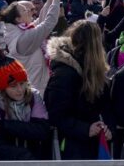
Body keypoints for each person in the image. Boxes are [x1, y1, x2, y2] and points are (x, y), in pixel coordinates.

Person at [44, 20, 111, 159]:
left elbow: (106, 105)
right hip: (71, 146)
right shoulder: (64, 74)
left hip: (93, 142)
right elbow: (56, 115)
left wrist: (109, 128)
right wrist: (86, 129)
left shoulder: (93, 69)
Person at [0, 47, 50, 160]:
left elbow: (42, 131)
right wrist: (23, 156)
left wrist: (4, 125)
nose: (20, 90)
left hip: (35, 159)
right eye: (13, 86)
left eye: (22, 83)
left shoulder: (34, 96)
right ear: (3, 88)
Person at [0, 0, 61, 94]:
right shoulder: (22, 39)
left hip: (37, 85)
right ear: (18, 19)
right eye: (25, 10)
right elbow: (48, 24)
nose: (30, 12)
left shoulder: (20, 29)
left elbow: (41, 20)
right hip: (35, 90)